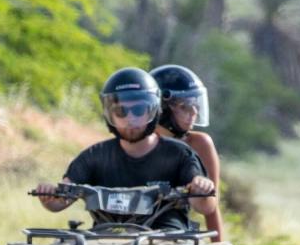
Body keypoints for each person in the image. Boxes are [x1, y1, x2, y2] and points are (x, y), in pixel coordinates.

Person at [36, 68, 216, 222]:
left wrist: (201, 188)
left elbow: (206, 206)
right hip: (104, 244)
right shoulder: (94, 155)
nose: (130, 118)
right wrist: (49, 196)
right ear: (110, 115)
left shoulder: (180, 153)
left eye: (138, 110)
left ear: (153, 110)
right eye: (121, 111)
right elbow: (61, 199)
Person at [150, 63, 225, 240]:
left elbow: (212, 206)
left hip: (176, 234)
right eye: (185, 106)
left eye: (195, 106)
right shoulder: (135, 143)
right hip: (131, 232)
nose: (194, 112)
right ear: (162, 108)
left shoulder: (200, 143)